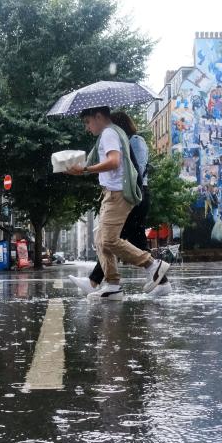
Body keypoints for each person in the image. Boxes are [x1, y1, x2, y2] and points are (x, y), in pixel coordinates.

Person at [63, 106, 169, 300]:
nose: (87, 128)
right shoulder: (113, 133)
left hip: (117, 193)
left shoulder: (109, 133)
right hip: (111, 193)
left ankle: (153, 265)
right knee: (101, 239)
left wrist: (85, 170)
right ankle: (112, 285)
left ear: (98, 116)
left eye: (87, 122)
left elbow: (113, 162)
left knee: (110, 240)